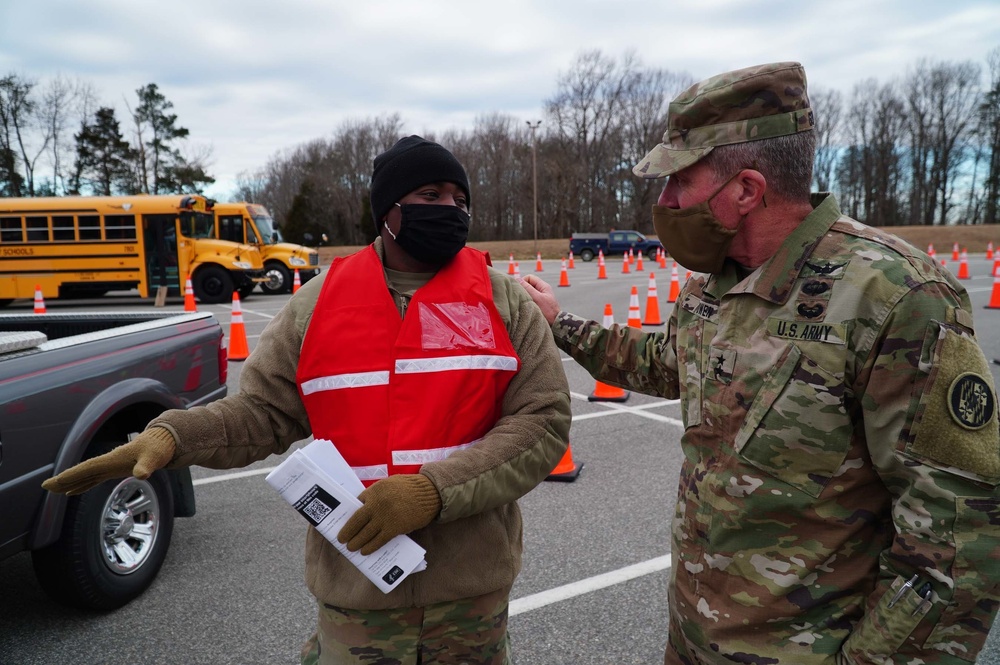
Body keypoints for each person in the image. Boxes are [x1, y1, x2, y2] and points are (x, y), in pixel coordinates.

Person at [521, 62, 1000, 665]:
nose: (663, 202)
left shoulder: (895, 297)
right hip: (694, 641)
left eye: (678, 182)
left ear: (745, 190)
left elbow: (958, 545)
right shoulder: (711, 286)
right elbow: (668, 363)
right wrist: (560, 324)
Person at [43, 135, 572, 665]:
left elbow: (543, 421)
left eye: (459, 200)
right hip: (358, 596)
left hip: (472, 596)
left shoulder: (503, 300)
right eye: (430, 195)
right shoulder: (318, 302)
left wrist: (432, 492)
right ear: (387, 210)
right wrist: (175, 435)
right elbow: (264, 412)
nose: (450, 210)